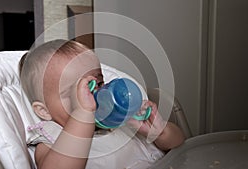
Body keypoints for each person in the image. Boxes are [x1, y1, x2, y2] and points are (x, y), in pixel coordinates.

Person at [19, 39, 185, 169]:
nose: (92, 97)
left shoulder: (122, 122)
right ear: (44, 110)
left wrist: (160, 132)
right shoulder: (52, 138)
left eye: (97, 84)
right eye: (74, 93)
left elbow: (179, 143)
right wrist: (82, 114)